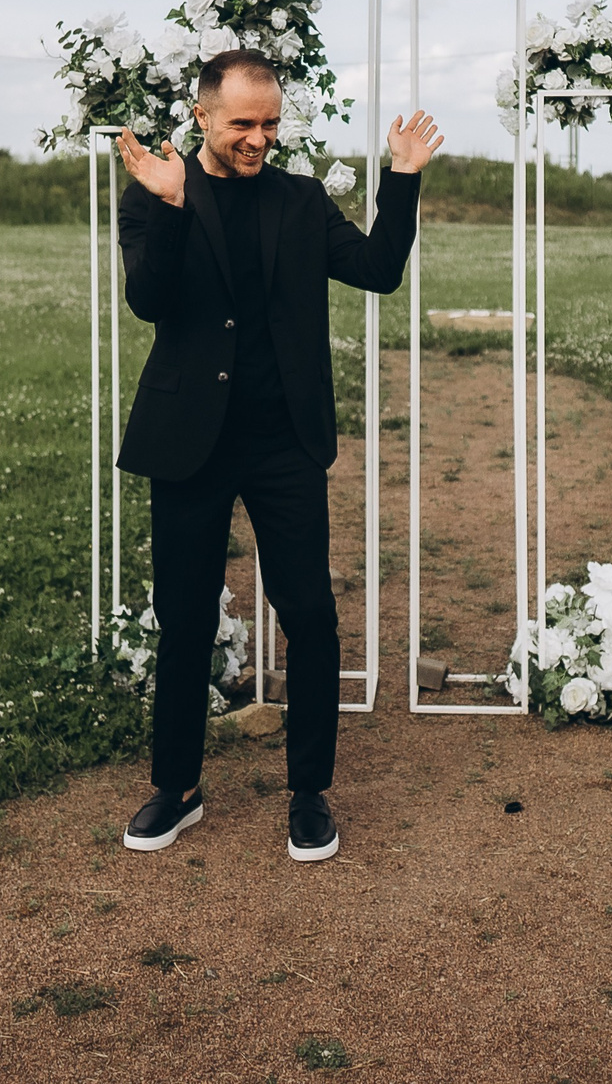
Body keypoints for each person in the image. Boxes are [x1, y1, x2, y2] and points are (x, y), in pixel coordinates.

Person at [111, 49, 440, 863]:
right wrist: (175, 205)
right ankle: (177, 788)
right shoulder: (153, 190)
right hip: (189, 440)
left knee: (311, 616)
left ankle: (309, 793)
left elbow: (377, 269)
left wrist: (399, 178)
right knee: (185, 618)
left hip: (284, 441)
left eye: (269, 122)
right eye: (242, 123)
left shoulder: (301, 200)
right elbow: (149, 301)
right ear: (202, 118)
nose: (259, 137)